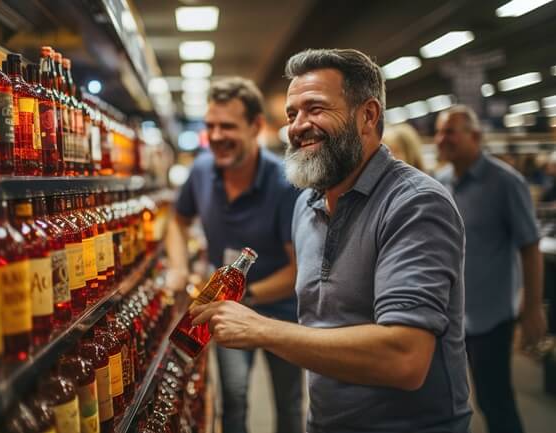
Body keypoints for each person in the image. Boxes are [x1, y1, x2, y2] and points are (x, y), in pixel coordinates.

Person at [191, 48, 472, 433]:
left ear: (367, 116)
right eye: (293, 114)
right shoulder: (306, 203)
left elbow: (405, 358)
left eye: (316, 109)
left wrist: (263, 329)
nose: (298, 125)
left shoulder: (415, 204)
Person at [165, 77, 303, 433]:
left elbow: (297, 268)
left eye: (228, 126)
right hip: (224, 313)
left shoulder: (285, 182)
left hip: (281, 315)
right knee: (234, 398)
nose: (217, 135)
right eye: (210, 125)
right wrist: (178, 268)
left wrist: (242, 297)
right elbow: (176, 221)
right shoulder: (201, 171)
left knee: (288, 406)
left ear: (256, 126)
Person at [434, 105, 546, 433]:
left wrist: (532, 307)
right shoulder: (440, 182)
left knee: (495, 400)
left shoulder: (506, 183)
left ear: (476, 136)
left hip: (491, 316)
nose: (441, 139)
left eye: (450, 131)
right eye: (439, 131)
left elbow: (530, 246)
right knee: (453, 399)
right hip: (451, 316)